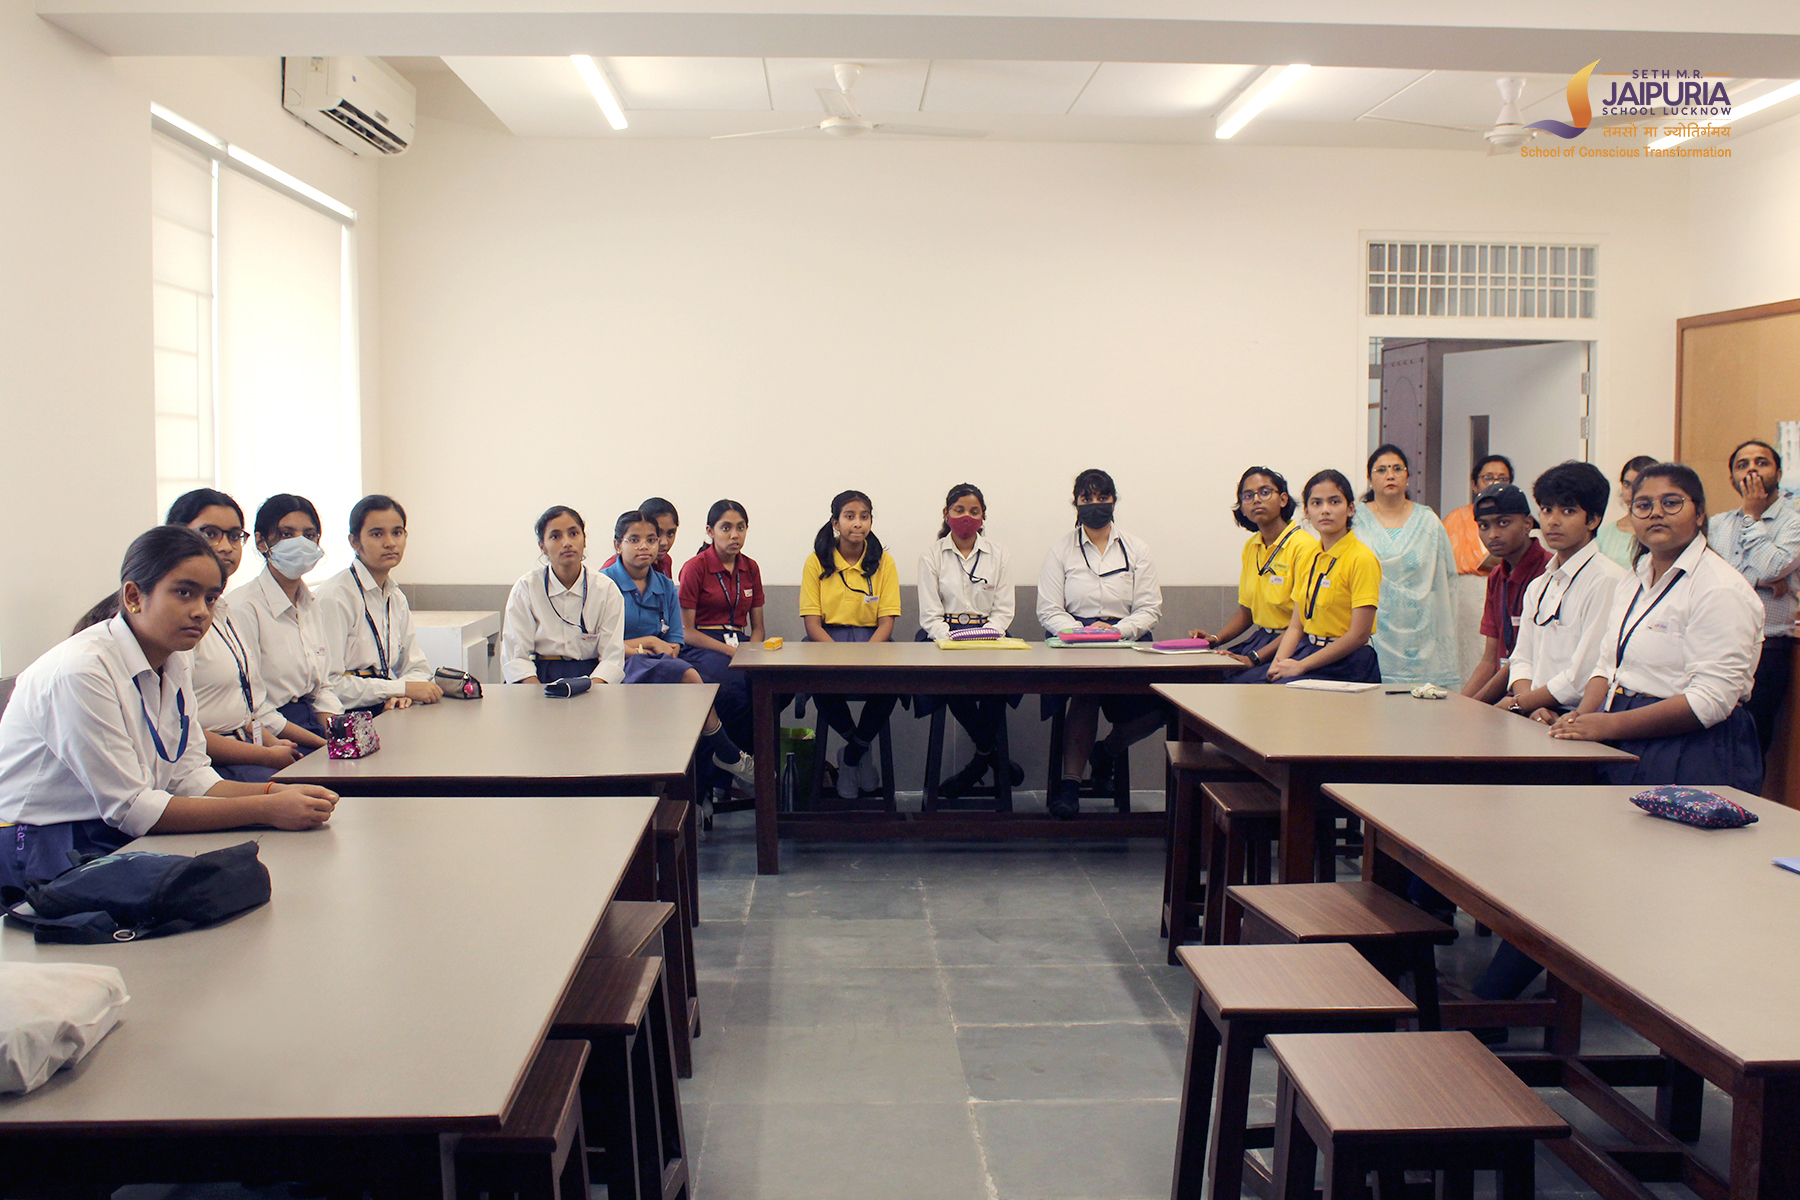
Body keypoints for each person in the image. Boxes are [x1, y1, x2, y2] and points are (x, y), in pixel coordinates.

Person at [0, 527, 338, 890]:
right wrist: (265, 809)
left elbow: (190, 776)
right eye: (184, 593)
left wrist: (274, 794)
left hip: (115, 830)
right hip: (46, 842)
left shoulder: (173, 661)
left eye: (210, 598)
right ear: (134, 596)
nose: (201, 612)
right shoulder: (81, 671)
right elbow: (132, 809)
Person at [1551, 462, 1763, 791]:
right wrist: (1581, 718)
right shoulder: (1634, 577)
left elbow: (1711, 700)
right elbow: (1607, 665)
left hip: (1693, 743)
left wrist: (1607, 725)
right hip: (1624, 729)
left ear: (1699, 514)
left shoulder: (1719, 587)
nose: (1656, 513)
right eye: (1643, 505)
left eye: (1672, 502)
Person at [1037, 469, 1164, 819]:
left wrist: (1118, 631)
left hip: (1127, 639)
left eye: (1102, 497)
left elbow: (1149, 607)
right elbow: (1049, 609)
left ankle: (1106, 751)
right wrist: (1081, 632)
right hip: (1074, 641)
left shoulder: (1137, 549)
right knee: (1086, 691)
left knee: (1165, 706)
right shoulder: (1060, 550)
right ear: (1076, 503)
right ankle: (1070, 785)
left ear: (1114, 501)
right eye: (1087, 498)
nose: (1095, 504)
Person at [164, 489, 307, 782]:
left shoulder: (224, 610)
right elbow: (180, 729)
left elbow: (245, 708)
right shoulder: (178, 622)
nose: (226, 547)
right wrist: (265, 755)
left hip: (248, 747)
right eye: (210, 534)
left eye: (233, 536)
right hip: (209, 764)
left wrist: (273, 745)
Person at [1499, 461, 1628, 721]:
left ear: (1593, 520)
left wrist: (1520, 704)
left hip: (1576, 718)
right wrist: (1530, 707)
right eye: (1547, 510)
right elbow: (1521, 659)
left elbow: (1582, 675)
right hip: (1534, 712)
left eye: (1568, 511)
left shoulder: (1608, 580)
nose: (1552, 521)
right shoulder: (1539, 585)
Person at [917, 483, 1021, 797]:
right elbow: (930, 615)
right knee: (949, 681)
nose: (966, 517)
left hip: (991, 635)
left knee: (999, 682)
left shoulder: (999, 554)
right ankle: (989, 753)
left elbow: (1004, 611)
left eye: (974, 511)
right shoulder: (932, 555)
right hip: (944, 637)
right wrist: (951, 639)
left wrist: (986, 635)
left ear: (983, 516)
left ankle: (979, 761)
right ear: (946, 513)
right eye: (959, 510)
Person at [800, 490, 902, 801]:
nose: (857, 523)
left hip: (874, 642)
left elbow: (886, 623)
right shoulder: (816, 561)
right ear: (835, 523)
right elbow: (812, 625)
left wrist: (866, 654)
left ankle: (851, 755)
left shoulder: (883, 561)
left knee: (893, 682)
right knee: (820, 683)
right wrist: (839, 655)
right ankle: (861, 750)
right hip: (826, 642)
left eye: (864, 516)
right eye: (849, 516)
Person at [1234, 470, 1382, 684]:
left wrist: (1301, 666)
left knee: (1272, 692)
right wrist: (1277, 665)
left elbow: (1359, 635)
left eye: (1334, 502)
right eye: (1316, 503)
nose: (1325, 510)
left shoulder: (1362, 559)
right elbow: (1296, 626)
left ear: (1350, 509)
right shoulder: (1310, 557)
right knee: (1249, 684)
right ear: (1307, 512)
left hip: (1347, 662)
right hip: (1309, 650)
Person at [1707, 439, 1800, 762]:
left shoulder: (1794, 522)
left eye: (1761, 462)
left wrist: (1752, 516)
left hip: (1768, 647)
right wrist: (1758, 581)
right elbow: (1710, 580)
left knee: (1752, 740)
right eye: (1742, 465)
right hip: (1716, 642)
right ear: (1732, 478)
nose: (1751, 470)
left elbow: (1773, 566)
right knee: (1711, 738)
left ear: (1779, 473)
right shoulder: (1717, 524)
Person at [230, 494, 341, 745]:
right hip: (273, 734)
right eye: (287, 534)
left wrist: (339, 735)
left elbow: (322, 688)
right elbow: (252, 706)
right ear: (261, 542)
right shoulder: (244, 608)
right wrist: (320, 745)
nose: (300, 544)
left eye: (309, 535)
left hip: (313, 722)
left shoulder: (310, 603)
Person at [1189, 466, 1319, 677]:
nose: (1256, 500)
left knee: (1238, 682)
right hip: (1261, 639)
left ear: (1283, 499)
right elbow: (1247, 611)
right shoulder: (1252, 547)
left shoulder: (1305, 547)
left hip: (1294, 644)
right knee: (1204, 673)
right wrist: (1215, 639)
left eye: (1265, 492)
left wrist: (1255, 658)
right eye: (1248, 496)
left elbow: (1303, 624)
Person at [318, 494, 443, 713]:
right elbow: (329, 686)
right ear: (354, 542)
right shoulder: (335, 597)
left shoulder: (395, 597)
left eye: (397, 533)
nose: (390, 543)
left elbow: (418, 668)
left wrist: (403, 695)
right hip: (344, 717)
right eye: (377, 534)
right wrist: (399, 688)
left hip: (385, 708)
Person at [1357, 444, 1460, 689]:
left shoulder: (1428, 521)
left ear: (1408, 476)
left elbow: (1444, 580)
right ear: (1370, 478)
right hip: (1370, 625)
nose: (1390, 475)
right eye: (1381, 470)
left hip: (1420, 629)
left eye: (1397, 469)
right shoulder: (1356, 520)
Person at [500, 505, 626, 685]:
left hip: (591, 679)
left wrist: (590, 692)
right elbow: (515, 656)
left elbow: (612, 658)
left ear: (584, 540)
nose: (567, 543)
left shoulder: (606, 589)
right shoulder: (526, 588)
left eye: (573, 534)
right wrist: (538, 695)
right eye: (555, 536)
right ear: (542, 546)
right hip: (536, 677)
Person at [678, 499, 764, 753]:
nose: (734, 535)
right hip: (703, 644)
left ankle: (756, 760)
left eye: (740, 527)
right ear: (710, 531)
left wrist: (752, 653)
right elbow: (687, 631)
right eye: (726, 528)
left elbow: (758, 627)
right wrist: (731, 652)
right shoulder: (695, 567)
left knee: (774, 684)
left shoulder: (750, 567)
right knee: (733, 687)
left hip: (741, 643)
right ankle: (732, 759)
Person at [1460, 484, 1550, 704]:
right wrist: (1460, 705)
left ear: (1528, 524)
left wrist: (1474, 706)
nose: (1493, 535)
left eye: (1503, 523)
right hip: (1507, 697)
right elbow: (1490, 660)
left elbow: (1524, 659)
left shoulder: (1549, 573)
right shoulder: (1496, 576)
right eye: (1484, 526)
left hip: (1541, 698)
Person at [1442, 455, 1516, 576]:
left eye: (1502, 479)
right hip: (1461, 586)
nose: (1495, 484)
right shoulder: (1456, 518)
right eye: (1488, 478)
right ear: (1474, 485)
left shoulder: (1518, 519)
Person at [1595, 455, 1657, 568]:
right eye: (1627, 484)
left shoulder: (1661, 531)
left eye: (1638, 485)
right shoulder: (1604, 535)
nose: (1631, 492)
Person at [602, 497, 677, 578]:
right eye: (657, 534)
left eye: (670, 533)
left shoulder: (665, 561)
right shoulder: (610, 572)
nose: (664, 542)